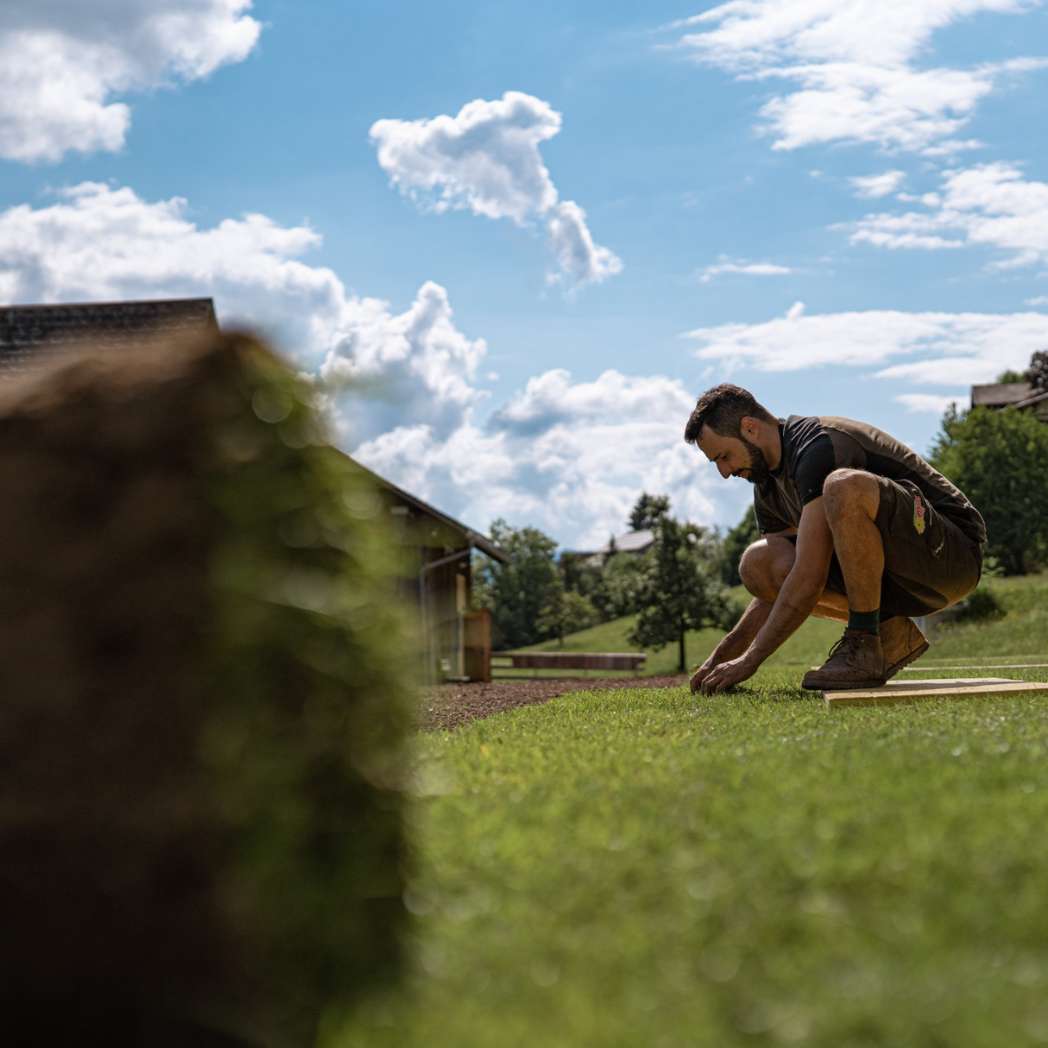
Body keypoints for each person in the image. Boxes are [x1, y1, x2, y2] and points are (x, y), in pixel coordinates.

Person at [684, 384, 986, 695]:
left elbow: (809, 576)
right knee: (758, 564)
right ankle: (888, 631)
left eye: (724, 456)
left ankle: (864, 643)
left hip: (952, 557)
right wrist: (722, 658)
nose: (723, 472)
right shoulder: (766, 486)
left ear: (750, 428)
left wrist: (750, 660)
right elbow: (778, 586)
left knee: (843, 487)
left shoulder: (817, 445)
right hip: (903, 581)